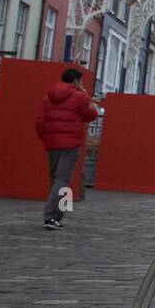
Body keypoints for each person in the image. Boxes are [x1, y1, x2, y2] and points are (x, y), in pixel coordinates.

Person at [34, 67, 99, 230]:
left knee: (55, 180)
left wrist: (48, 138)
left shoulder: (48, 98)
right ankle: (50, 217)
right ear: (76, 80)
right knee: (63, 180)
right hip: (70, 145)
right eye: (81, 81)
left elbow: (40, 122)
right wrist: (88, 98)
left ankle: (57, 216)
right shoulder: (79, 96)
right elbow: (91, 115)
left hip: (52, 144)